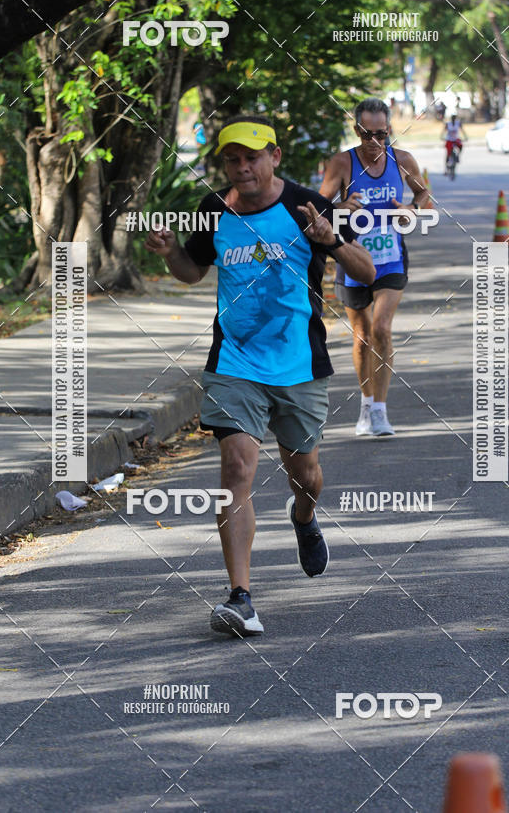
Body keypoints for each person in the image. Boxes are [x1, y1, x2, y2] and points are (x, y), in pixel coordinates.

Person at [145, 114, 375, 637]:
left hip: (298, 364)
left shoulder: (306, 207)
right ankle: (240, 597)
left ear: (274, 155)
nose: (243, 167)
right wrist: (170, 254)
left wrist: (331, 239)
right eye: (233, 159)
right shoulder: (213, 209)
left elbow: (366, 272)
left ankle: (303, 517)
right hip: (234, 363)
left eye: (252, 157)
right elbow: (191, 271)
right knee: (236, 469)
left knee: (307, 476)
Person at [319, 98, 429, 437]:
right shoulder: (342, 163)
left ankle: (380, 411)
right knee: (363, 335)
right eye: (368, 134)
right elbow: (317, 210)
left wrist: (412, 209)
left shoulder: (403, 160)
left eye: (382, 134)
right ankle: (366, 403)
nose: (375, 142)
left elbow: (425, 195)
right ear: (357, 130)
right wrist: (340, 206)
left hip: (391, 259)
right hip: (352, 260)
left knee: (381, 328)